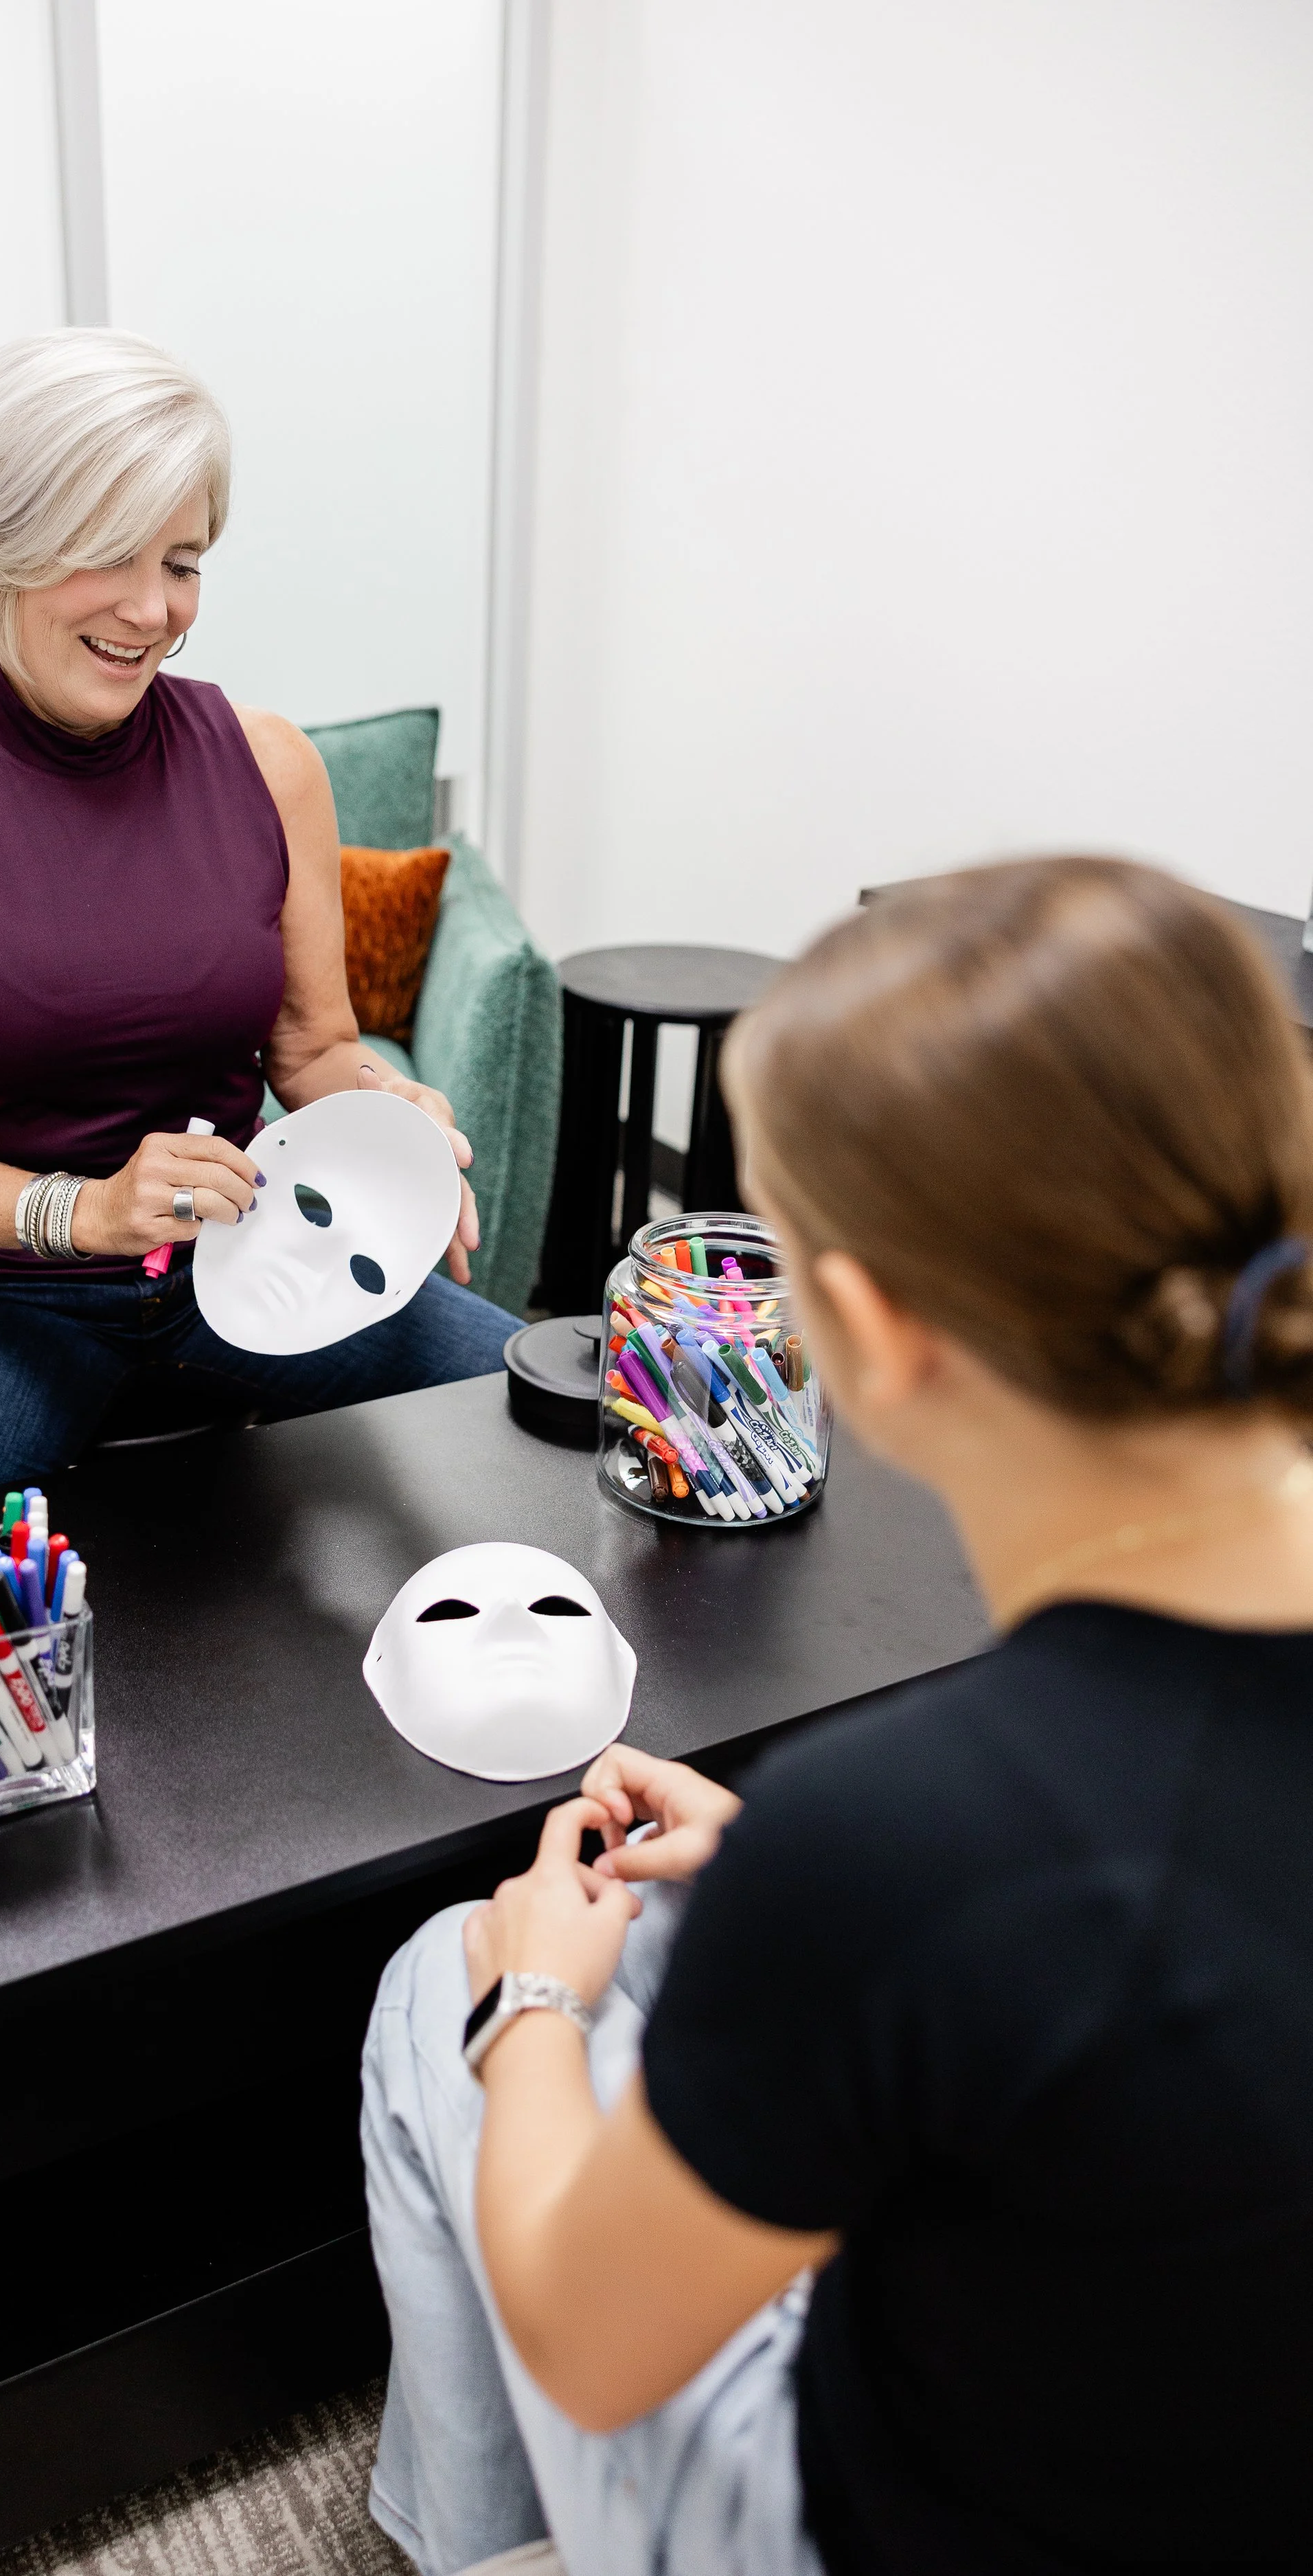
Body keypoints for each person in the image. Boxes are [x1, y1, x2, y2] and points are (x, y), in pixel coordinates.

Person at [363, 855, 1313, 2576]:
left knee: (440, 1980)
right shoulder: (923, 1845)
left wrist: (532, 2004)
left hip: (902, 2517)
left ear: (856, 1332)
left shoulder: (910, 1836)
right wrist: (807, 1892)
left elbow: (587, 2331)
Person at [0, 329, 516, 1522]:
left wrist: (387, 1115)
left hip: (255, 1252)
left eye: (182, 561)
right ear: (9, 547)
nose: (153, 610)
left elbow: (313, 1051)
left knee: (556, 1430)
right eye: (108, 557)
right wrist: (80, 1211)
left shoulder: (269, 763)